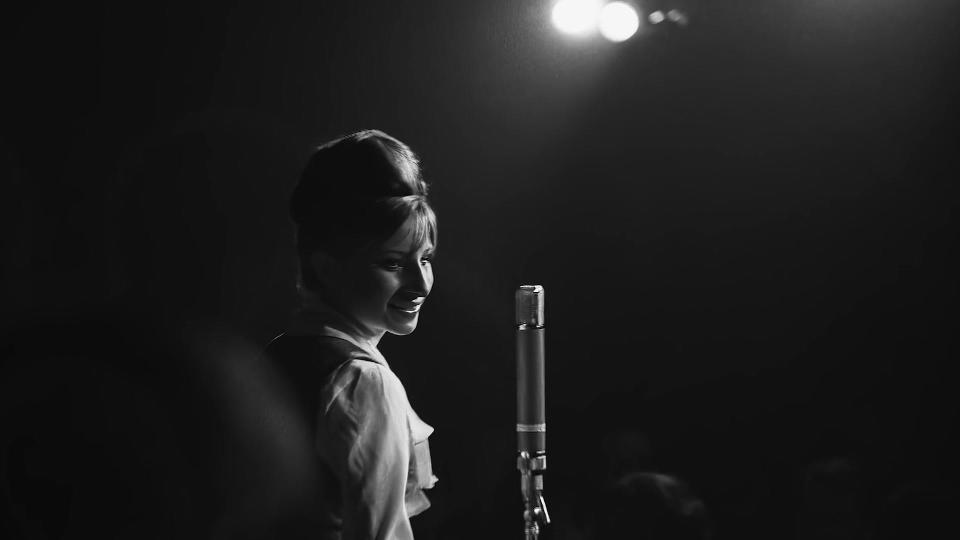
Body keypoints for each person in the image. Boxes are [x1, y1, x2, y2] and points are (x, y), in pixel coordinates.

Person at [262, 129, 439, 540]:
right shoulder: (364, 382)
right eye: (393, 264)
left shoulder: (274, 357)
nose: (421, 284)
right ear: (326, 267)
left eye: (425, 259)